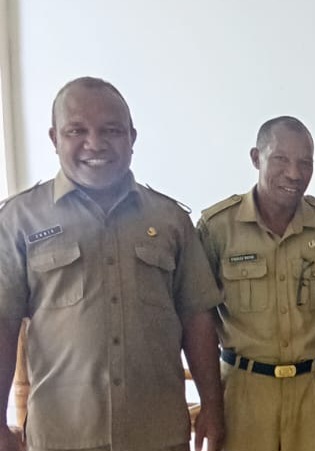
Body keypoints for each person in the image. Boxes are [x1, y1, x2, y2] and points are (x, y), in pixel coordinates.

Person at [0, 76, 224, 451]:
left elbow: (197, 319)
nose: (95, 143)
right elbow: (4, 324)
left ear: (132, 137)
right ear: (54, 138)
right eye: (77, 130)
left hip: (157, 435)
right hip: (62, 436)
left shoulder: (170, 220)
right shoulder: (19, 220)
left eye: (111, 130)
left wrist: (212, 407)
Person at [197, 116, 315, 451]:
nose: (294, 173)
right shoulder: (218, 228)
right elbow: (198, 315)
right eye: (280, 159)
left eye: (305, 163)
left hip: (313, 390)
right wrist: (209, 402)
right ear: (255, 157)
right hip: (243, 392)